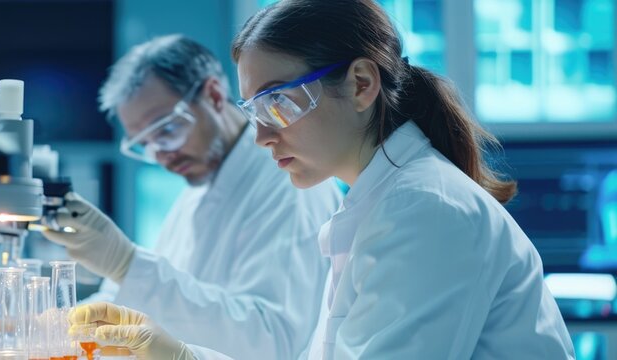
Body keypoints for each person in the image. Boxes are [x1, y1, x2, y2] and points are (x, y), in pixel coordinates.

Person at [67, 1, 576, 359]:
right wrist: (181, 354)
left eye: (279, 102)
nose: (262, 135)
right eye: (255, 108)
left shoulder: (426, 208)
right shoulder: (379, 204)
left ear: (360, 85)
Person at [42, 34, 342, 360]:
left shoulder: (287, 183)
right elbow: (140, 303)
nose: (161, 156)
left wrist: (127, 264)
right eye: (145, 144)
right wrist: (55, 326)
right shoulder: (197, 190)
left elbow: (272, 341)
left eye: (167, 130)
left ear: (213, 95)